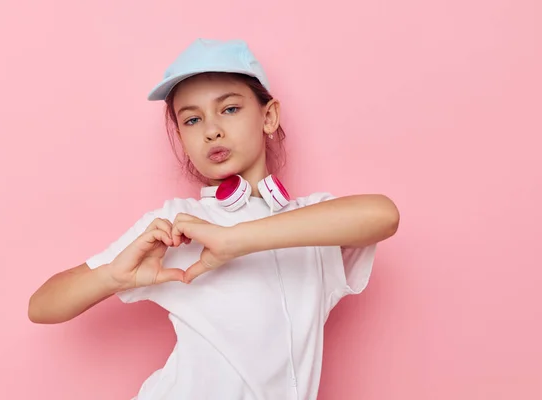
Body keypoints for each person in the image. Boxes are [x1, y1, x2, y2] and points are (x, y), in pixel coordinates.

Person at [28, 38, 400, 400]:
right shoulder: (178, 225)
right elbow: (42, 305)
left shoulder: (313, 223)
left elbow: (382, 214)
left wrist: (235, 239)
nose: (211, 130)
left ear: (268, 116)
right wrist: (112, 275)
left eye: (230, 109)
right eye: (191, 120)